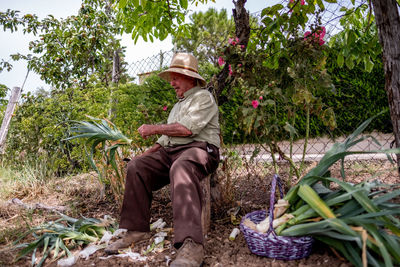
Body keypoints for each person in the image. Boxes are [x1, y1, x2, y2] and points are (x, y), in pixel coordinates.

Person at [105, 53, 220, 267]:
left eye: (176, 77)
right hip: (173, 152)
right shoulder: (178, 105)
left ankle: (191, 245)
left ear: (191, 78)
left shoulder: (203, 97)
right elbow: (167, 137)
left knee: (181, 167)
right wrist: (148, 153)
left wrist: (153, 128)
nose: (172, 83)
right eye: (171, 78)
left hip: (201, 150)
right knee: (137, 166)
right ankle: (137, 230)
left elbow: (186, 129)